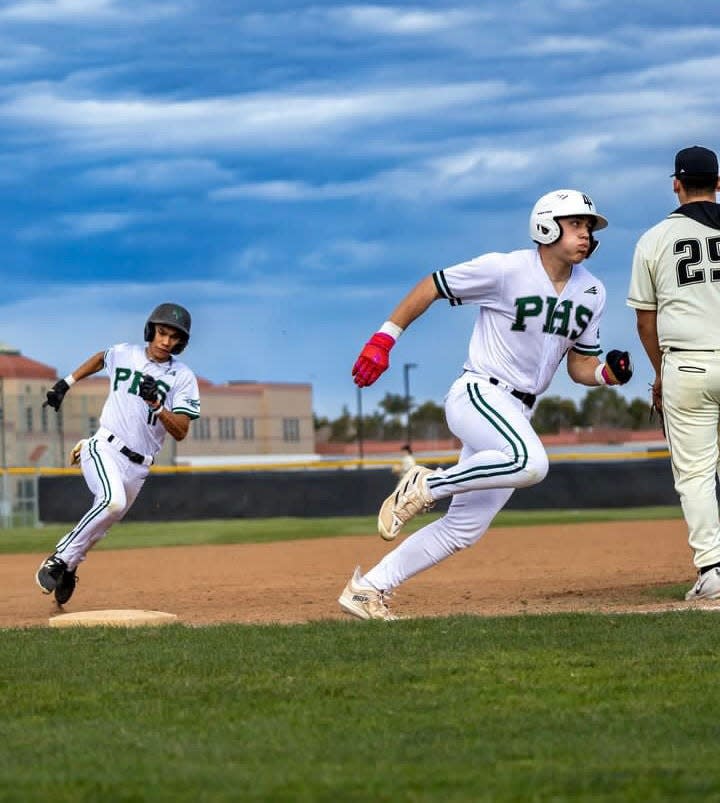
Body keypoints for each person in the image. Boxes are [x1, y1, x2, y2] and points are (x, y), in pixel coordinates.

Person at [338, 189, 633, 620]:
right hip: (479, 392)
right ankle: (426, 487)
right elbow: (434, 284)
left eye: (589, 227)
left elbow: (579, 365)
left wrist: (607, 374)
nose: (586, 234)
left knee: (463, 529)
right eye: (576, 224)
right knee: (532, 463)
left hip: (519, 411)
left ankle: (368, 589)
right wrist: (385, 338)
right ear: (546, 226)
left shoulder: (592, 292)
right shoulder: (507, 269)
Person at [36, 303, 201, 606]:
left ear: (182, 342)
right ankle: (59, 559)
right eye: (162, 332)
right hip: (104, 447)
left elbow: (181, 431)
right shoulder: (127, 354)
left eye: (174, 337)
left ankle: (70, 566)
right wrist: (65, 384)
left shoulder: (183, 378)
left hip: (138, 468)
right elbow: (101, 358)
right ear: (151, 330)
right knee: (112, 502)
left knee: (103, 521)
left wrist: (157, 405)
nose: (166, 341)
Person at [627, 145, 720, 601]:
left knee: (696, 475)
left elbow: (646, 320)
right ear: (719, 184)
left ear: (676, 184)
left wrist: (660, 372)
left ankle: (714, 571)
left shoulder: (654, 239)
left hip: (687, 361)